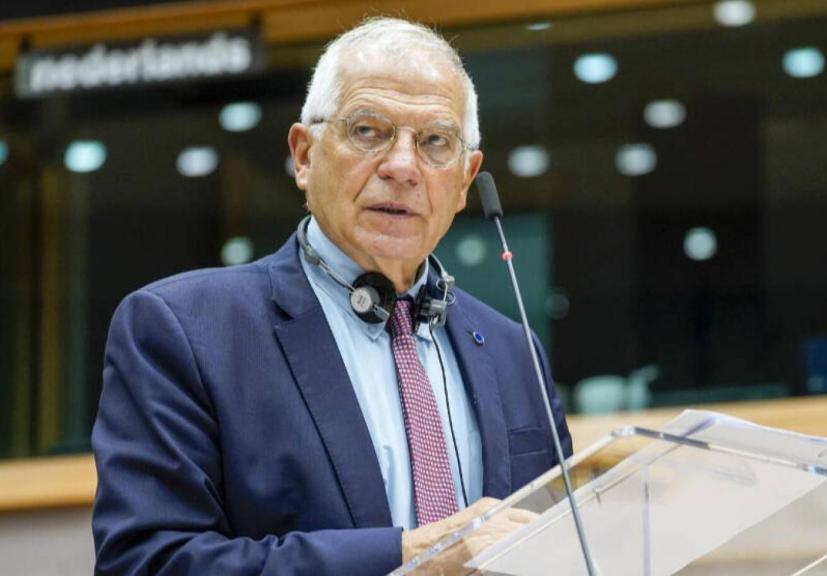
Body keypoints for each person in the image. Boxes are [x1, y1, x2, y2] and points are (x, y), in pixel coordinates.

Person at [92, 17, 571, 575]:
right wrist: (412, 559)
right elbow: (149, 563)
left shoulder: (516, 353)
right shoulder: (184, 330)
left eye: (435, 142)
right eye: (368, 130)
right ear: (304, 155)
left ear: (465, 180)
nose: (401, 167)